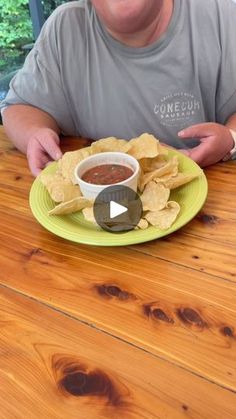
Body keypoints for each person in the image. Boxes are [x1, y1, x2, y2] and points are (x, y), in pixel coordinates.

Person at [1, 0, 236, 176]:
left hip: (211, 217)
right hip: (92, 224)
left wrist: (231, 140)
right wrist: (34, 133)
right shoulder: (64, 29)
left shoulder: (223, 16)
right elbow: (20, 107)